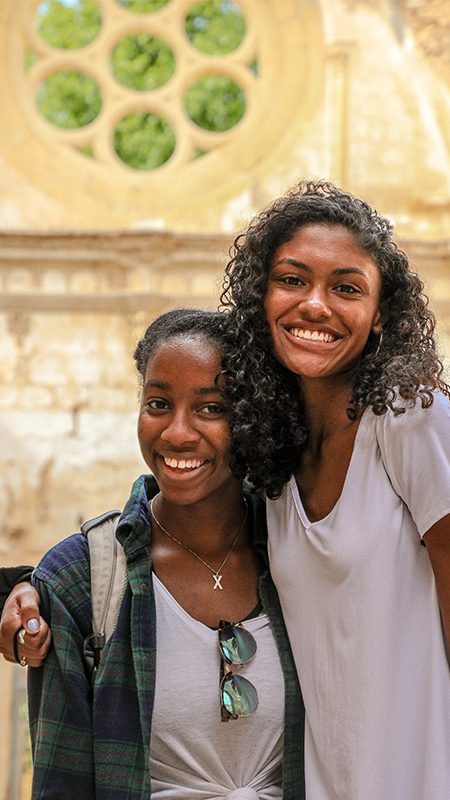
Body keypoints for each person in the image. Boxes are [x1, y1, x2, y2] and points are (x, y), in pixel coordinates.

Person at [1, 309, 304, 800]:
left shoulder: (299, 553)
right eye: (158, 404)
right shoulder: (82, 579)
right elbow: (62, 781)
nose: (177, 433)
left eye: (211, 408)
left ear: (251, 416)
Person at [220, 180, 450, 799]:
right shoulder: (270, 449)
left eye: (345, 288)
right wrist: (36, 580)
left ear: (379, 318)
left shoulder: (410, 418)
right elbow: (170, 514)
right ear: (260, 298)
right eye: (292, 280)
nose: (314, 305)